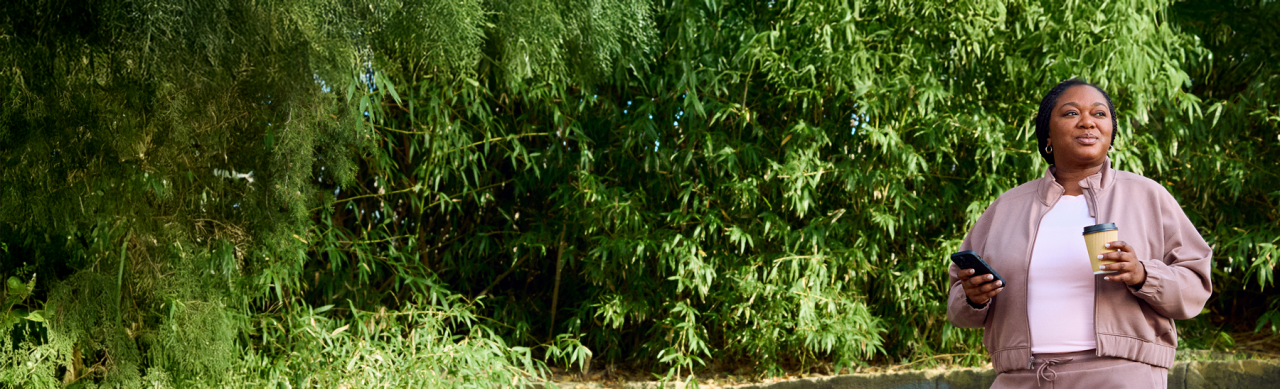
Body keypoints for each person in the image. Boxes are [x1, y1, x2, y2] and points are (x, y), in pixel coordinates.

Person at [946, 78, 1213, 388]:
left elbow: (1195, 285)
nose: (1088, 122)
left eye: (1099, 114)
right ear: (1047, 133)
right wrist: (974, 298)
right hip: (1021, 379)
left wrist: (1142, 275)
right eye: (1071, 113)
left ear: (1111, 131)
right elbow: (958, 306)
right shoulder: (1006, 208)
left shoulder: (1148, 196)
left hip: (1121, 376)